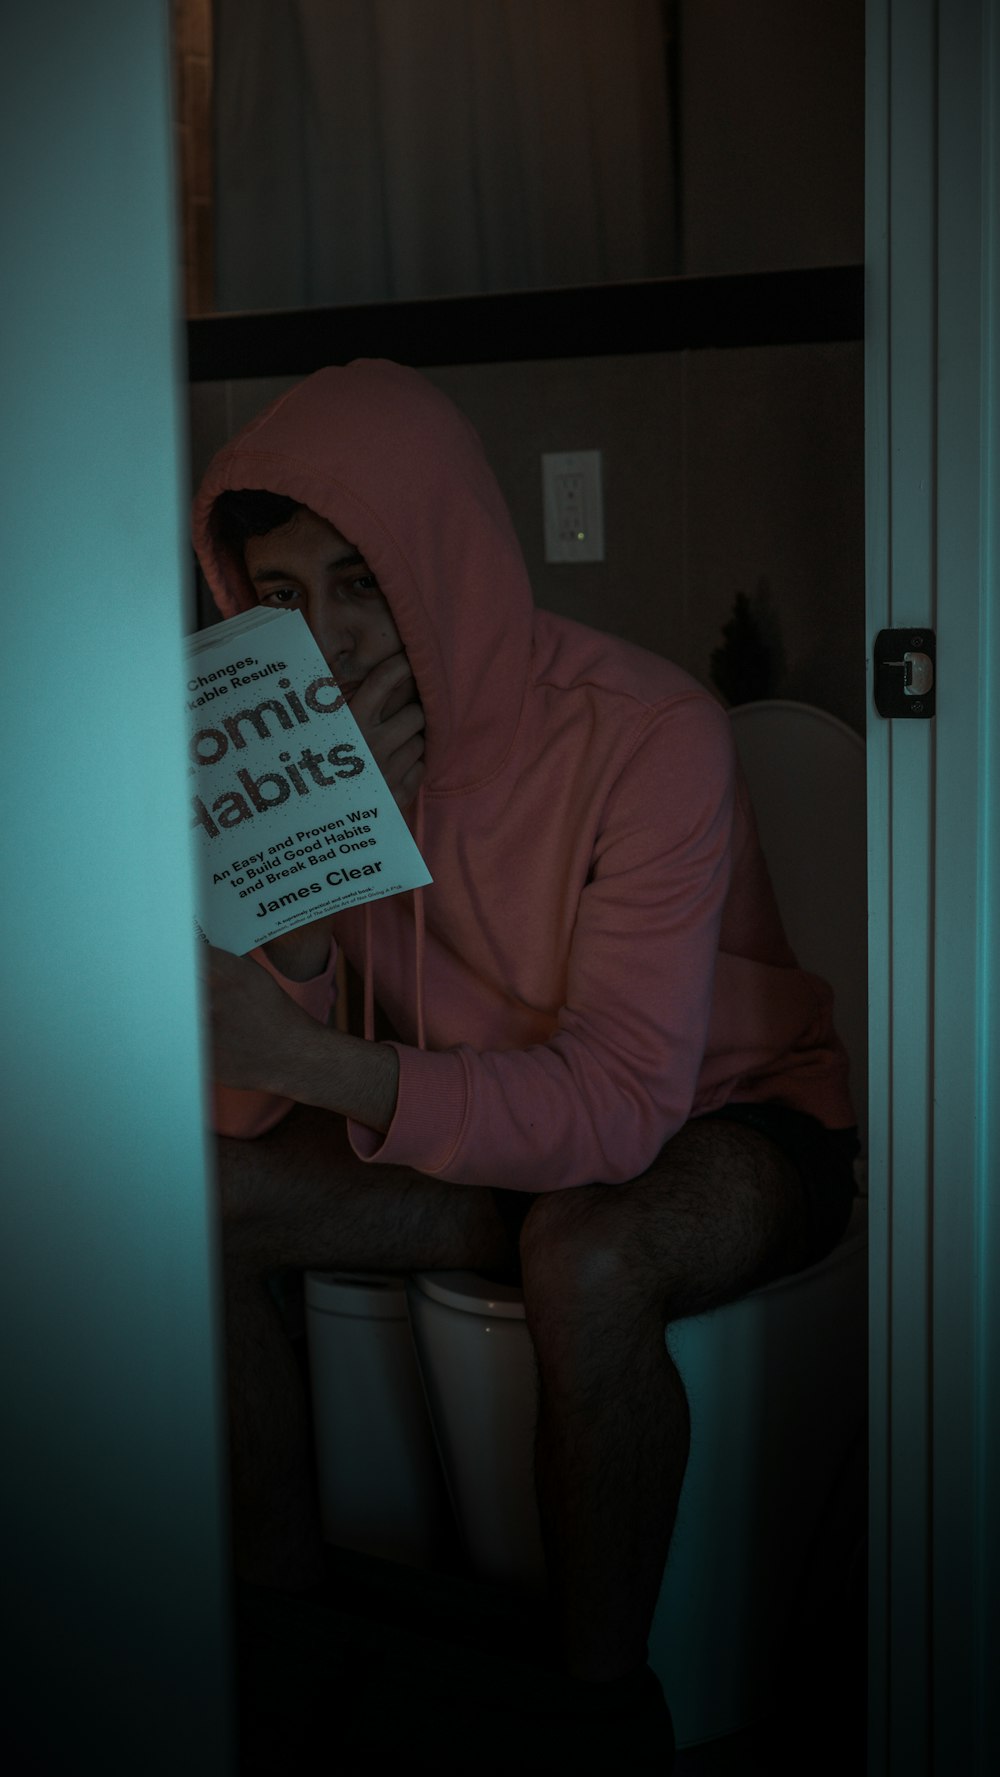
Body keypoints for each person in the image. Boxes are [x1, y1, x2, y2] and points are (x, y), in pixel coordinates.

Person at [193, 359, 859, 1772]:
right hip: (481, 1131)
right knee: (198, 1199)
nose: (332, 642)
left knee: (592, 1256)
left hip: (722, 1117)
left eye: (363, 580)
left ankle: (598, 1719)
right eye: (283, 598)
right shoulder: (293, 752)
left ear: (444, 555)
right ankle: (280, 1649)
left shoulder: (649, 731)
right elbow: (247, 1107)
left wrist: (321, 1055)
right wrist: (305, 902)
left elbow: (622, 1106)